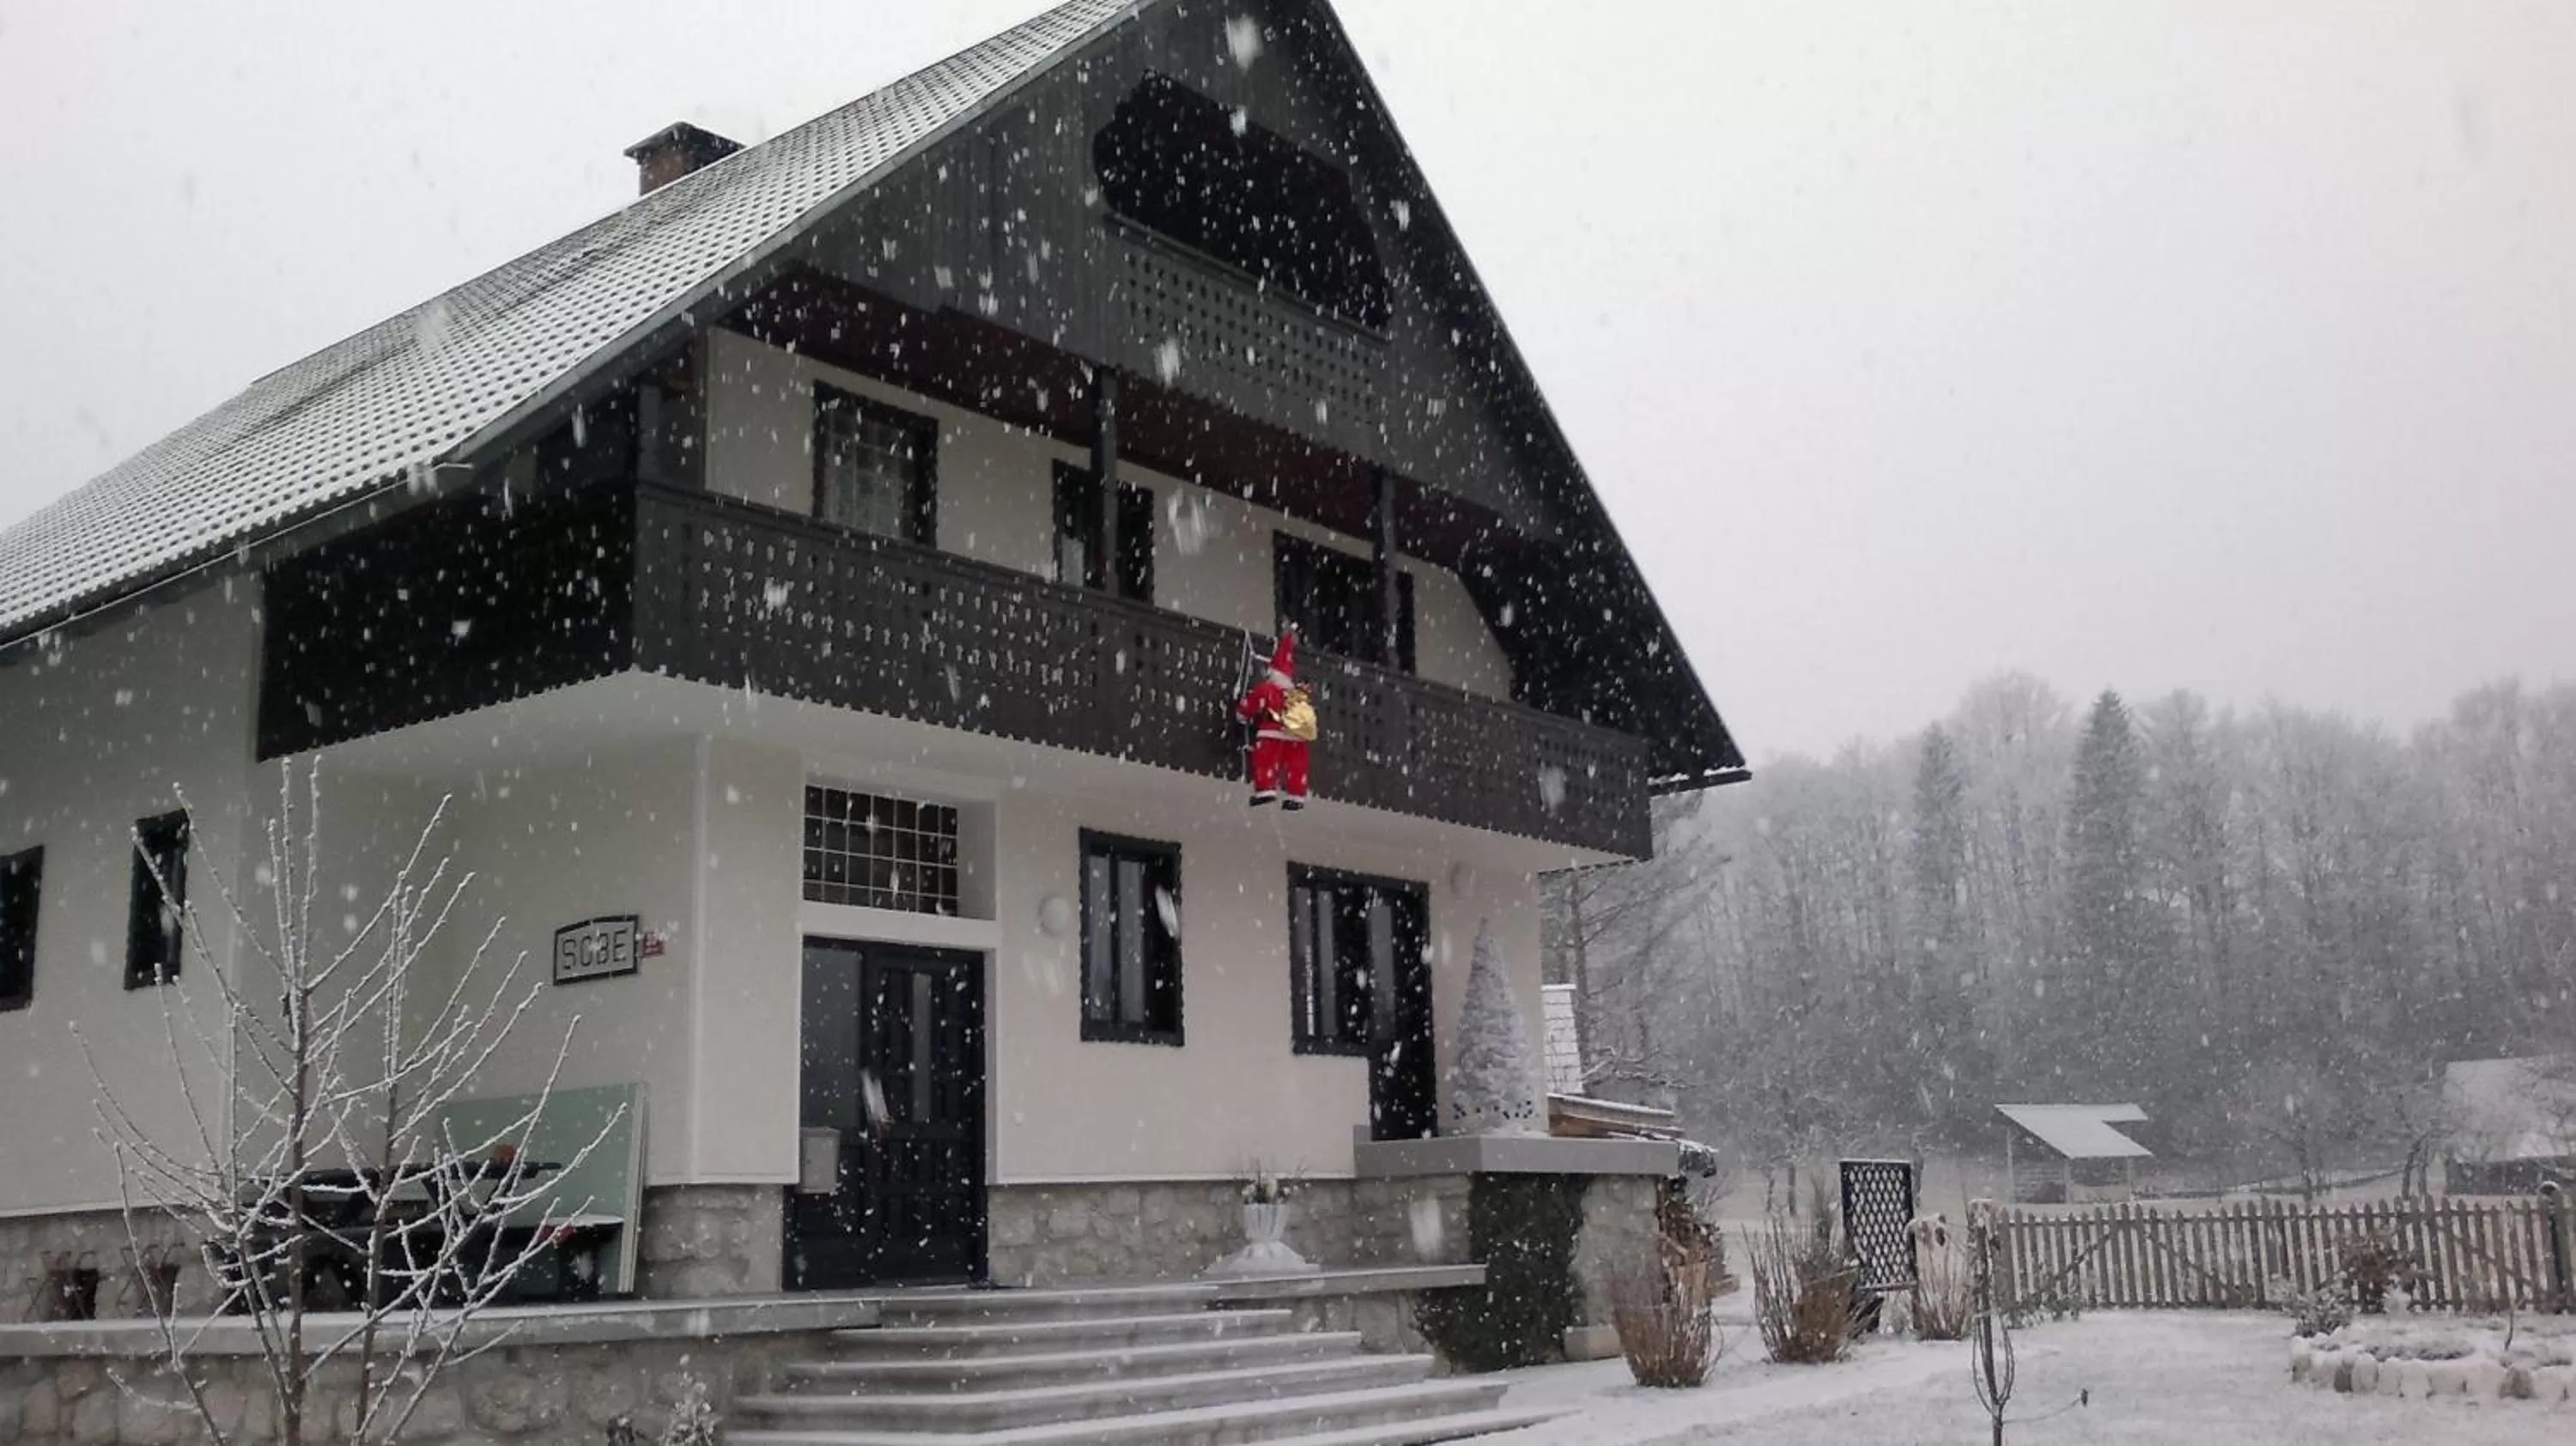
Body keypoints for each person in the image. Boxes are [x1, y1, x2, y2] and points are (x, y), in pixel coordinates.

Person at [1237, 630, 1315, 808]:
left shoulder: (1268, 689)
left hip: (1272, 732)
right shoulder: (1296, 694)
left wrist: (1241, 714)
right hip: (1297, 735)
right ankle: (1296, 796)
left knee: (1266, 761)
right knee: (1297, 766)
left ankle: (1266, 789)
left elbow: (1252, 704)